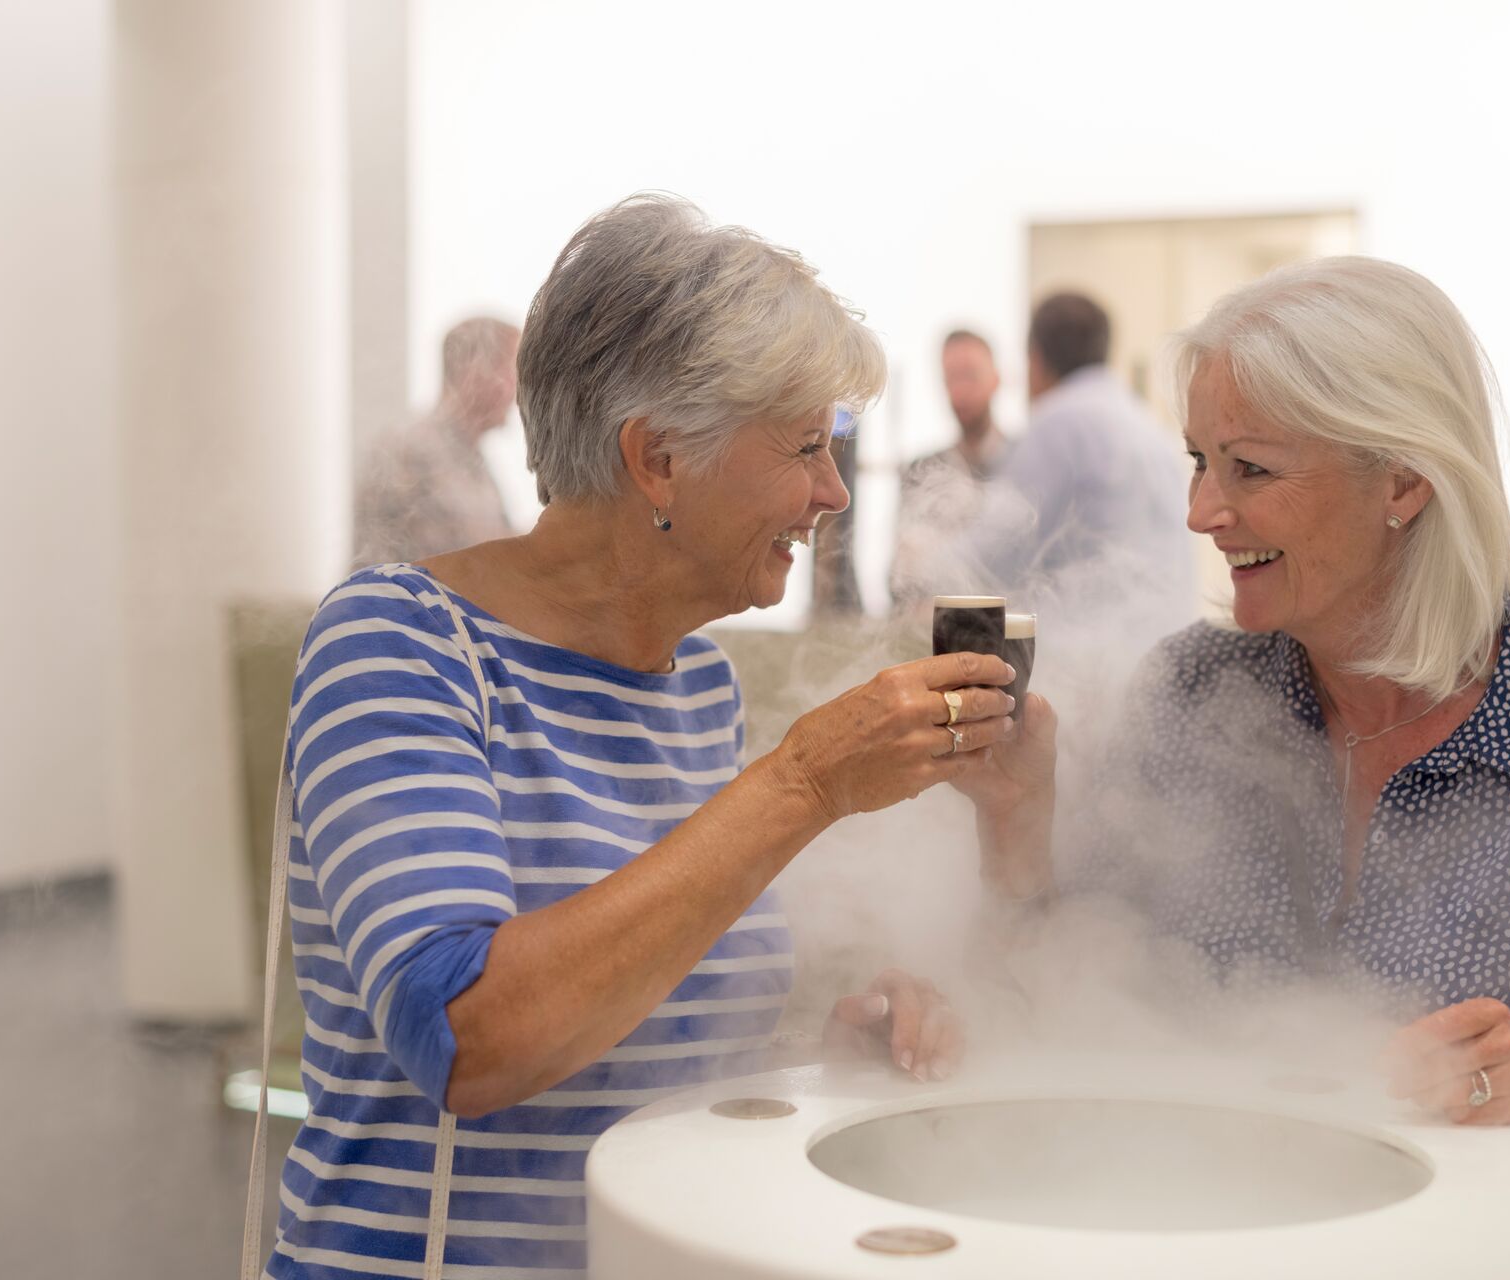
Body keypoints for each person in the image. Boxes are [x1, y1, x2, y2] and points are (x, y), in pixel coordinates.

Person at [263, 195, 1020, 1277]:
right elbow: (469, 1036)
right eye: (806, 445)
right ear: (658, 457)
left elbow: (638, 1009)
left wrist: (825, 1048)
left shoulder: (694, 680)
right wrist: (801, 781)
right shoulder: (398, 640)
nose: (832, 492)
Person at [973, 257, 1510, 1191]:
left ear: (1404, 484)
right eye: (1198, 462)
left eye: (1249, 467)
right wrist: (1013, 822)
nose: (1201, 513)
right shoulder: (1189, 689)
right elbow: (1070, 1000)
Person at [971, 292, 1193, 607]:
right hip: (1168, 637)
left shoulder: (1058, 423)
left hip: (1096, 644)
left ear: (1036, 358)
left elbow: (997, 548)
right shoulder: (1146, 423)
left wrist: (922, 562)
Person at [352, 316, 521, 566]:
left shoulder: (472, 460)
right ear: (475, 370)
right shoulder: (408, 452)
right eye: (513, 370)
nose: (518, 388)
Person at [888, 329, 1013, 608]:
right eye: (951, 379)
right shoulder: (922, 471)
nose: (960, 392)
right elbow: (900, 578)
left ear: (996, 379)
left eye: (970, 375)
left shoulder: (1024, 463)